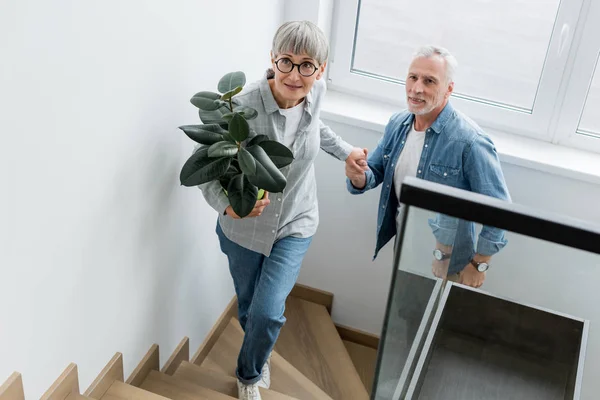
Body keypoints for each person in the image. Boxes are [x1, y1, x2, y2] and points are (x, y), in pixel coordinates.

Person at [198, 21, 367, 400]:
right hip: (243, 230)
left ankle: (248, 373)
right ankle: (259, 348)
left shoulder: (315, 93)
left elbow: (315, 128)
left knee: (268, 311)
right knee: (250, 307)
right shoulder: (241, 108)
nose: (295, 74)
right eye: (287, 62)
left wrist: (347, 152)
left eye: (307, 65)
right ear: (272, 59)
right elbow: (206, 168)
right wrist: (229, 206)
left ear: (320, 69)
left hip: (296, 221)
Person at [345, 45, 511, 289]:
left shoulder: (470, 141)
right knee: (404, 317)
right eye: (413, 77)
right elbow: (375, 171)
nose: (417, 88)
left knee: (437, 324)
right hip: (405, 248)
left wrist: (479, 263)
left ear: (448, 89)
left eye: (429, 81)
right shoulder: (398, 123)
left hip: (450, 263)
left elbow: (500, 210)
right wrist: (357, 175)